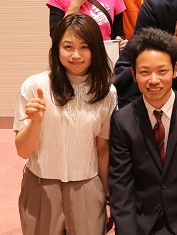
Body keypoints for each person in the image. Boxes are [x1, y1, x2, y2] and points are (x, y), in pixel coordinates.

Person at [109, 27, 177, 235]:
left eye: (162, 71)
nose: (154, 80)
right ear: (133, 74)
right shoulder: (123, 120)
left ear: (174, 69)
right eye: (145, 72)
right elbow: (120, 184)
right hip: (143, 224)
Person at [14, 14, 117, 235]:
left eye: (84, 47)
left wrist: (108, 198)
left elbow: (102, 148)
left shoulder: (106, 92)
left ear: (96, 50)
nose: (76, 55)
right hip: (41, 185)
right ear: (56, 49)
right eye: (68, 46)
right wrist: (36, 122)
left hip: (87, 186)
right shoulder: (34, 86)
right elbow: (23, 151)